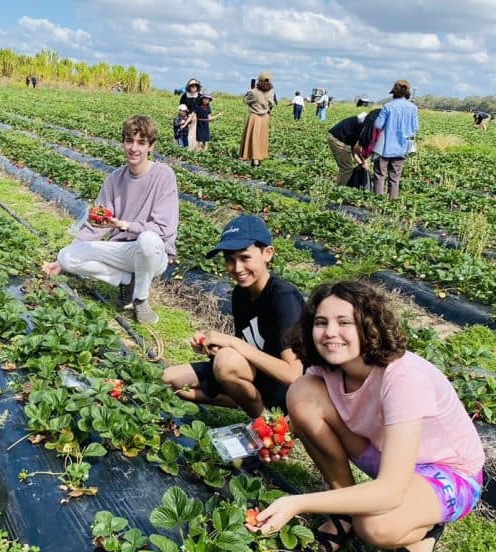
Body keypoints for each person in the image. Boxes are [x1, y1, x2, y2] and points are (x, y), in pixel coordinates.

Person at [249, 280, 485, 552]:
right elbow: (303, 418)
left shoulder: (404, 378)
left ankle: (426, 528)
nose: (330, 332)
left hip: (447, 472)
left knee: (374, 526)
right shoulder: (328, 367)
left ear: (368, 326)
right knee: (301, 392)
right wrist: (271, 437)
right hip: (383, 454)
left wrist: (297, 503)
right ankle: (346, 510)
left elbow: (390, 491)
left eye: (344, 322)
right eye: (321, 322)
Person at [42, 116, 179, 325]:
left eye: (141, 143)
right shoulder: (115, 178)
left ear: (151, 146)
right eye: (129, 141)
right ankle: (126, 280)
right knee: (67, 256)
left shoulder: (164, 175)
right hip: (124, 251)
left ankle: (140, 299)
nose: (134, 148)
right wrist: (61, 263)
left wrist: (124, 225)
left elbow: (164, 228)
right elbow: (95, 225)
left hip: (153, 253)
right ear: (123, 142)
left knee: (147, 239)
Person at [162, 215, 303, 417]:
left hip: (287, 390)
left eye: (245, 258)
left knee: (226, 363)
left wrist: (231, 343)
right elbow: (248, 349)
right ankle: (247, 401)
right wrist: (215, 348)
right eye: (230, 259)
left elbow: (293, 375)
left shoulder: (283, 298)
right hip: (258, 375)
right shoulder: (241, 293)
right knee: (170, 380)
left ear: (267, 253)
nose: (237, 268)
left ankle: (267, 421)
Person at [372, 80, 419, 199]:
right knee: (395, 178)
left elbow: (378, 125)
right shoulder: (413, 108)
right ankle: (393, 202)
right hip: (401, 148)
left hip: (384, 147)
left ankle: (377, 201)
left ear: (394, 92)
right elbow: (415, 128)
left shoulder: (388, 106)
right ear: (407, 93)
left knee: (380, 175)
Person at [240, 71, 275, 167]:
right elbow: (272, 104)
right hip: (265, 118)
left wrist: (250, 90)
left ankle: (255, 161)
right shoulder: (271, 92)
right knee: (261, 139)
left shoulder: (254, 92)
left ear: (259, 80)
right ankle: (259, 158)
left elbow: (245, 100)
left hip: (255, 117)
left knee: (254, 138)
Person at [326, 112, 369, 186]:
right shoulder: (362, 128)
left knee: (347, 168)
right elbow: (356, 149)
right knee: (347, 169)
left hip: (336, 137)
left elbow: (354, 151)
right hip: (337, 139)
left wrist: (361, 163)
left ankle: (341, 185)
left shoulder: (358, 125)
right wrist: (364, 162)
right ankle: (338, 189)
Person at [180, 79, 203, 150]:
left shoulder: (200, 96)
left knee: (195, 135)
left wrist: (195, 115)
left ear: (197, 87)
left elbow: (202, 107)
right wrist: (186, 114)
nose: (194, 87)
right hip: (186, 117)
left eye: (195, 86)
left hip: (197, 118)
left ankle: (195, 148)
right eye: (192, 86)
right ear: (189, 87)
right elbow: (181, 106)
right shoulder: (184, 96)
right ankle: (186, 147)